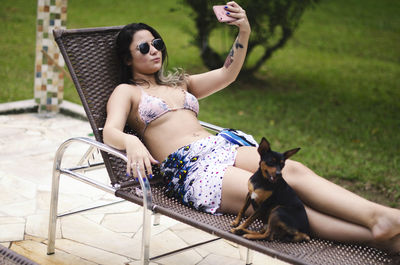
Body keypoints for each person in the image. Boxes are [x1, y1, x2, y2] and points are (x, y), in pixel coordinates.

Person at [103, 1, 400, 253]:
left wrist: (243, 29)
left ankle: (379, 216)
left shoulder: (181, 82)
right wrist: (132, 142)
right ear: (128, 59)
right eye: (144, 47)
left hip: (220, 148)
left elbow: (228, 73)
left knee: (290, 171)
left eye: (157, 43)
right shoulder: (127, 92)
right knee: (272, 200)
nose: (154, 50)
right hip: (190, 169)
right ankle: (378, 237)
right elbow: (110, 131)